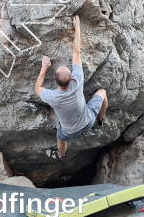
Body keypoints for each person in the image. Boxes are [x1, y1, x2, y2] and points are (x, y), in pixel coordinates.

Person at [34, 15, 108, 160]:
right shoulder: (78, 80)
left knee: (60, 138)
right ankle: (101, 117)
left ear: (55, 80)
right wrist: (77, 28)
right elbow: (76, 52)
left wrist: (44, 68)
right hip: (89, 120)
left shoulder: (53, 96)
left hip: (69, 131)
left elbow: (37, 89)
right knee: (102, 92)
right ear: (71, 77)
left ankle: (61, 155)